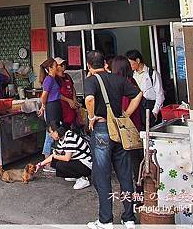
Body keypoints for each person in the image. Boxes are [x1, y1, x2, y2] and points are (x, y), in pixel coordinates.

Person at [84, 50, 142, 229]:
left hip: (102, 129)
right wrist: (126, 114)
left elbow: (90, 99)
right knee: (125, 174)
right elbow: (138, 94)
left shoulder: (91, 80)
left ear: (89, 66)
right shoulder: (118, 79)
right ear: (105, 63)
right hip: (119, 129)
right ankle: (129, 217)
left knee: (102, 175)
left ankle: (105, 220)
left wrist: (92, 117)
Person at [110, 55, 144, 201]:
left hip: (128, 130)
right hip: (135, 128)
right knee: (136, 163)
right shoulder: (132, 81)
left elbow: (124, 106)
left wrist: (124, 116)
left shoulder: (123, 84)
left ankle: (136, 195)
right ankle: (139, 193)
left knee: (131, 164)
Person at [37, 122, 92, 190]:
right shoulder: (61, 140)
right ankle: (76, 175)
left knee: (60, 164)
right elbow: (54, 155)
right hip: (79, 162)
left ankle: (82, 179)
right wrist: (40, 164)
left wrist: (55, 156)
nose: (50, 135)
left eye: (51, 132)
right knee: (54, 162)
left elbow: (67, 158)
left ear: (57, 131)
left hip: (87, 165)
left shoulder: (69, 136)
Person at [125, 50, 164, 128]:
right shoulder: (132, 76)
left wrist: (155, 112)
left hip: (150, 107)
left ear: (138, 60)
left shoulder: (152, 74)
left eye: (130, 63)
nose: (129, 66)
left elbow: (160, 95)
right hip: (139, 109)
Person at [37, 58, 63, 172]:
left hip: (55, 106)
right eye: (55, 65)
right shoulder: (49, 80)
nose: (57, 66)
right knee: (50, 134)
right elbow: (44, 96)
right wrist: (43, 106)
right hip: (51, 107)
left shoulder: (54, 79)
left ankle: (50, 161)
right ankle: (47, 163)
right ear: (50, 68)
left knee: (55, 133)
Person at [55, 57, 81, 128]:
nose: (63, 66)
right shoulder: (55, 78)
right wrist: (68, 100)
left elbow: (73, 89)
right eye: (61, 65)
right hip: (62, 107)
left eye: (64, 64)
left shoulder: (67, 76)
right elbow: (56, 93)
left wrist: (74, 100)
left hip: (71, 106)